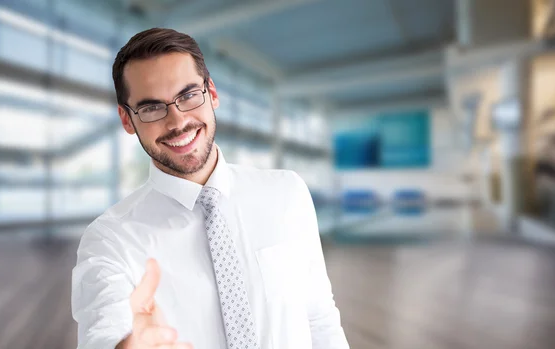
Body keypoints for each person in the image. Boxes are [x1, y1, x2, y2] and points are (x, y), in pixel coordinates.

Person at [71, 27, 349, 349]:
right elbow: (102, 335)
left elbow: (319, 318)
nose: (177, 121)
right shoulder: (110, 240)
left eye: (188, 95)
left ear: (212, 93)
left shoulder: (288, 193)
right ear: (126, 120)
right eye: (150, 108)